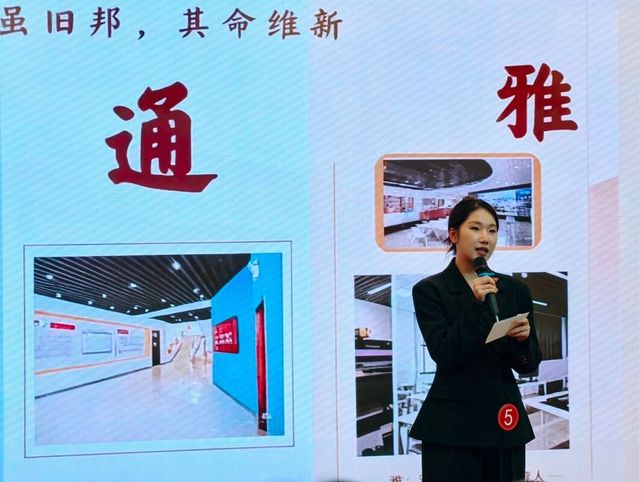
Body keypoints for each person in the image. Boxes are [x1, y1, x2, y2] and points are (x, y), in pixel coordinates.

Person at [410, 196, 542, 482]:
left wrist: (522, 342)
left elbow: (528, 365)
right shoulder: (430, 290)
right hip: (451, 427)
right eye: (475, 228)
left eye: (492, 230)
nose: (485, 238)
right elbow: (444, 353)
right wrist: (475, 305)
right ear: (453, 234)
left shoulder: (515, 290)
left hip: (503, 421)